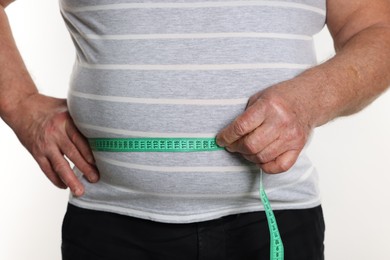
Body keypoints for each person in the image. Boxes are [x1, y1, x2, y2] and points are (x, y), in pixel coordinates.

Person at [0, 0, 389, 259]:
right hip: (110, 219)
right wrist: (20, 105)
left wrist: (311, 101)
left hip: (275, 214)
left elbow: (377, 29)